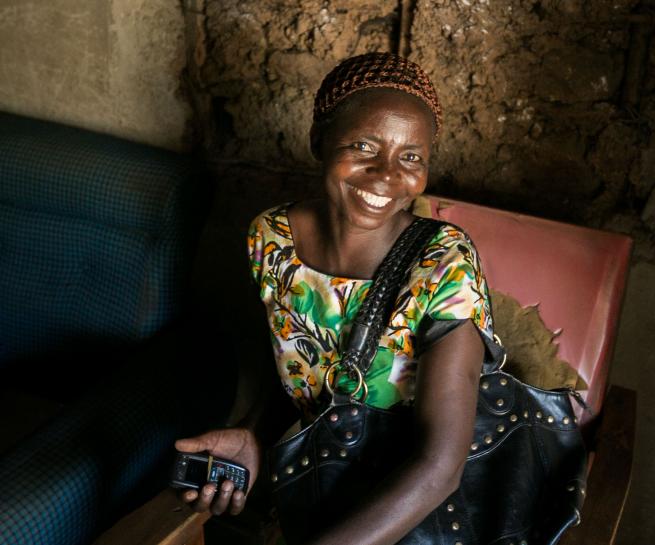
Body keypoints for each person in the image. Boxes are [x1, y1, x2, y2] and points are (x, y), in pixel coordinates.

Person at [175, 52, 498, 545]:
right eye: (364, 145)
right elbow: (295, 385)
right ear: (318, 141)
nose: (386, 174)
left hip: (414, 518)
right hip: (313, 491)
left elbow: (439, 468)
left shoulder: (443, 263)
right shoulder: (272, 239)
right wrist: (254, 437)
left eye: (411, 156)